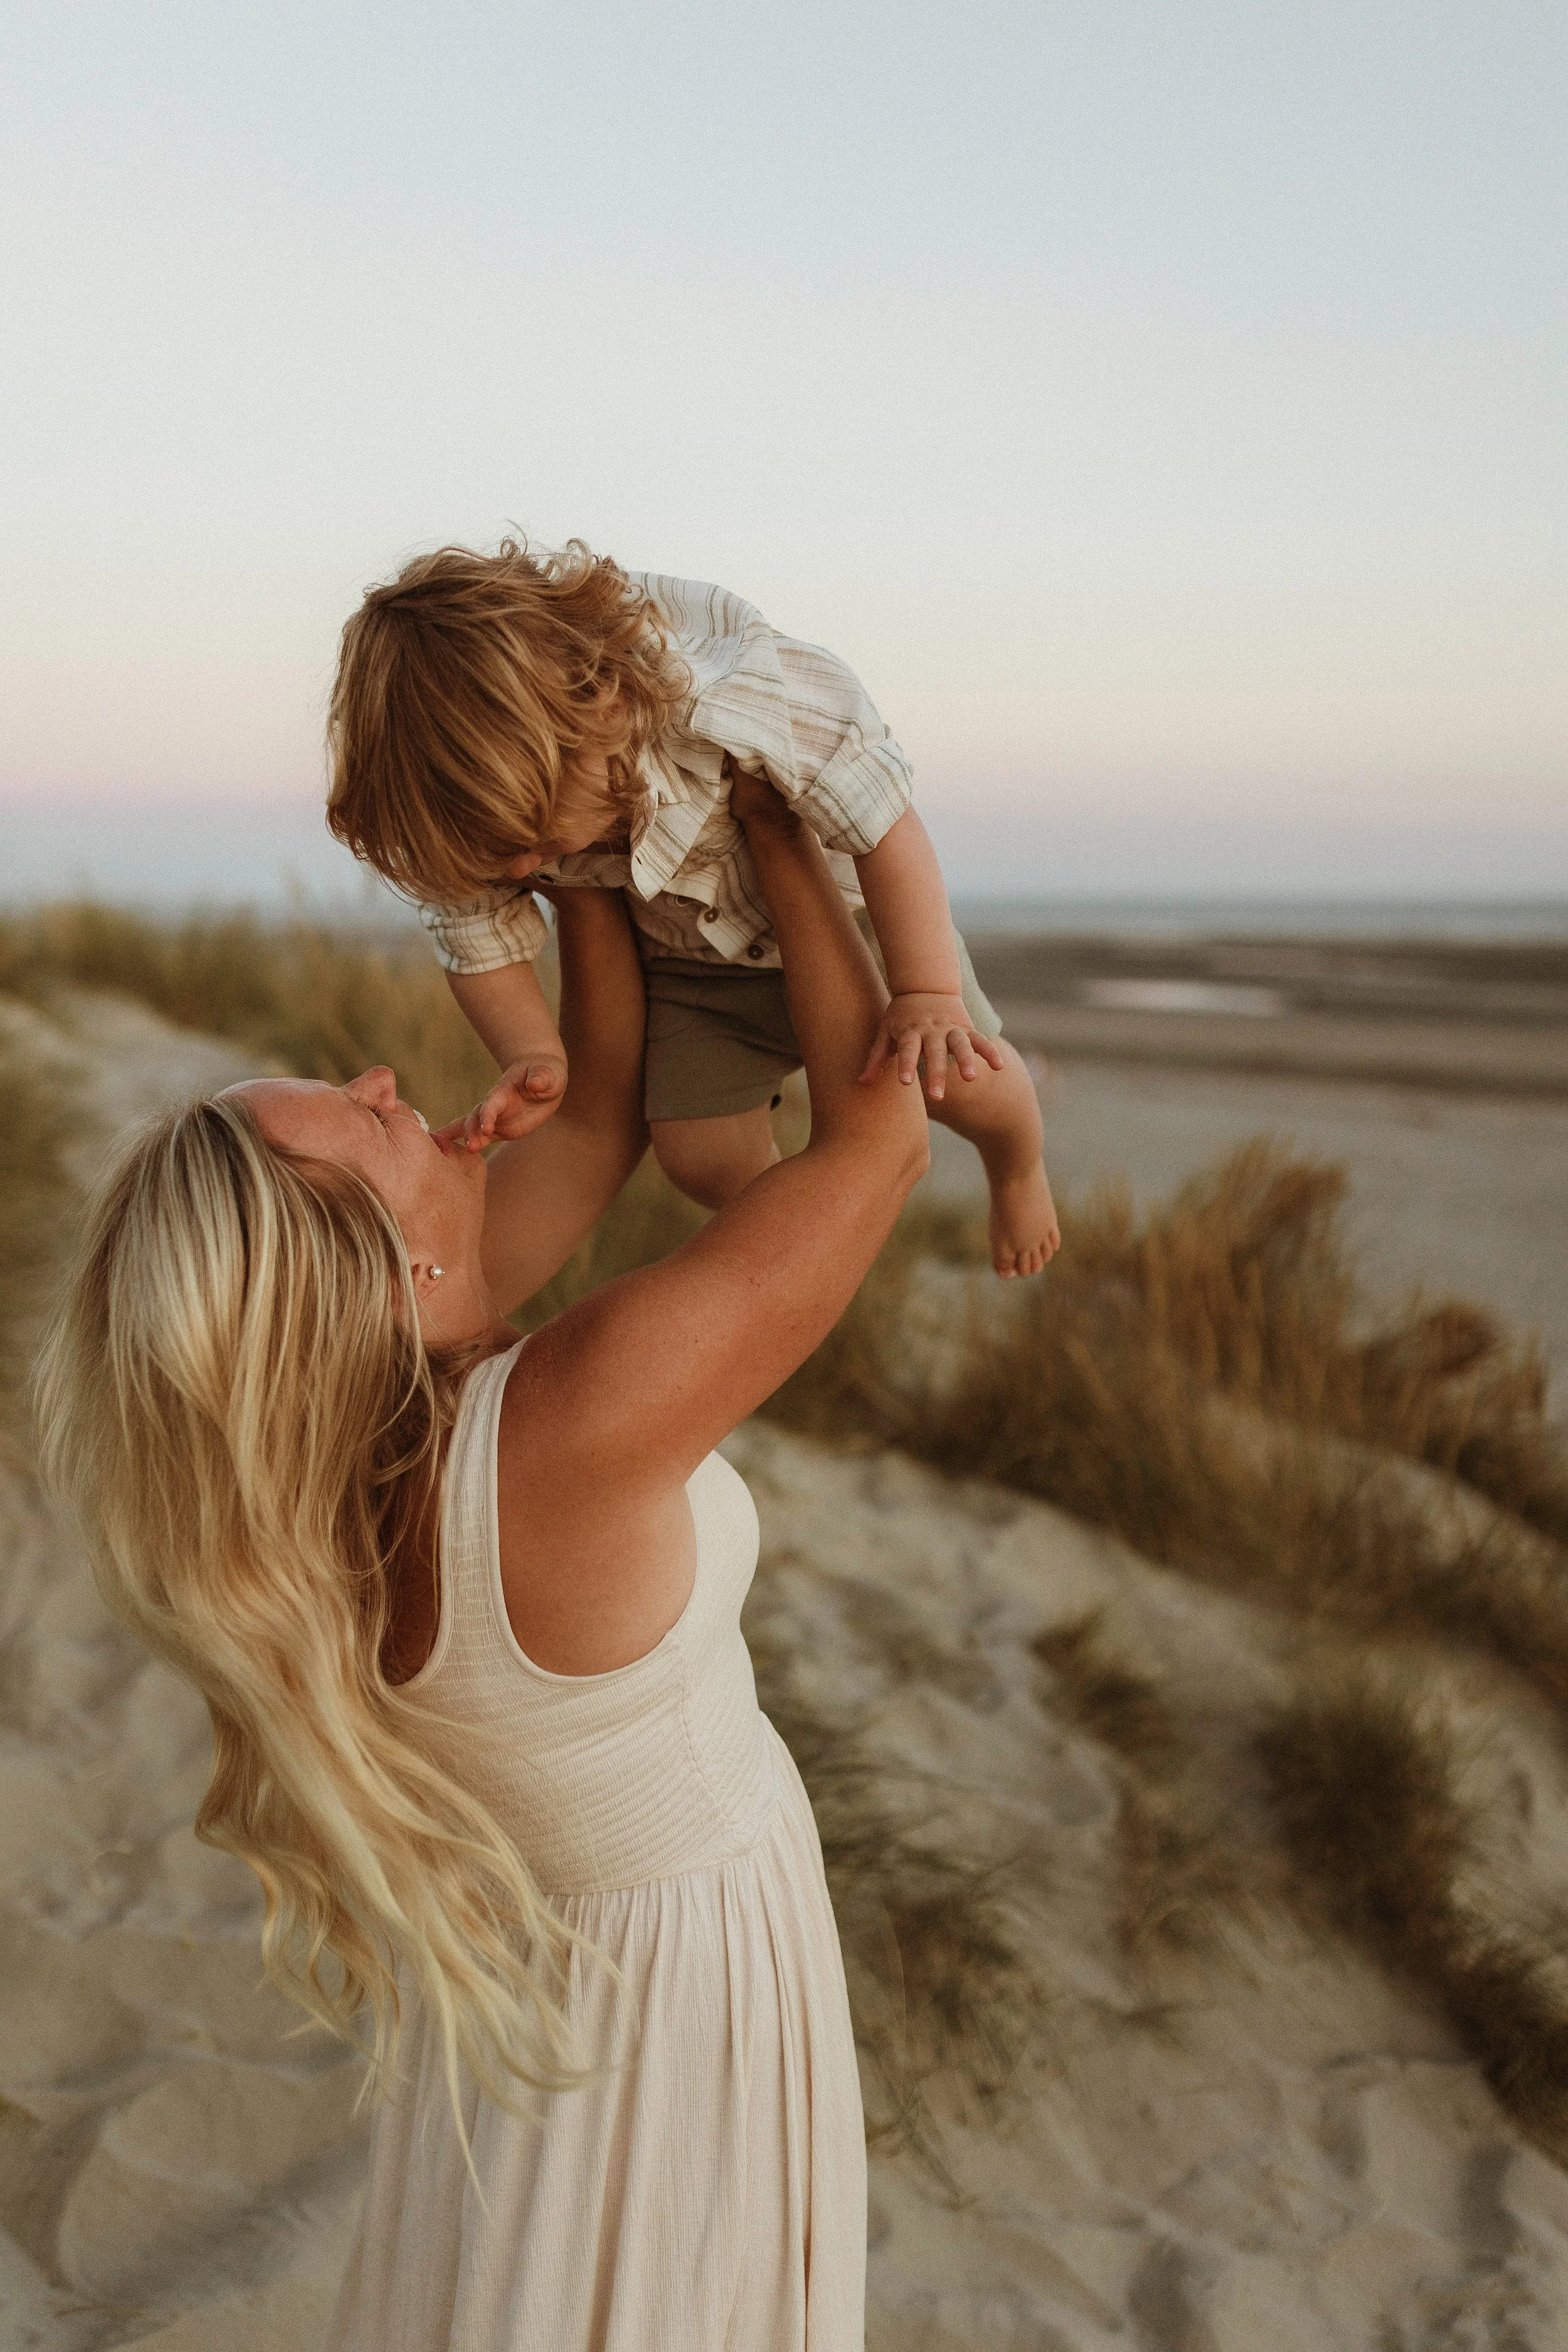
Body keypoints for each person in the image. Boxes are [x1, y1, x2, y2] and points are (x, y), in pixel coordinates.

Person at [35, 778, 930, 2352]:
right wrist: (782, 815)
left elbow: (599, 1107)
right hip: (675, 1998)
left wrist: (574, 853)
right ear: (392, 1269)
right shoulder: (559, 1434)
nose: (388, 1078)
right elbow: (879, 1140)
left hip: (569, 1983)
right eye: (365, 1115)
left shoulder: (340, 1459)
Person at [326, 538, 1059, 1278]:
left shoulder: (728, 698)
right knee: (698, 1154)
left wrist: (926, 990)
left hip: (860, 932)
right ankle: (807, 1230)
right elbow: (478, 944)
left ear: (604, 713)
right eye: (503, 856)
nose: (521, 870)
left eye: (536, 841)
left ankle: (1017, 1167)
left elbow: (883, 816)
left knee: (969, 1084)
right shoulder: (462, 811)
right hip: (693, 968)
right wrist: (531, 1053)